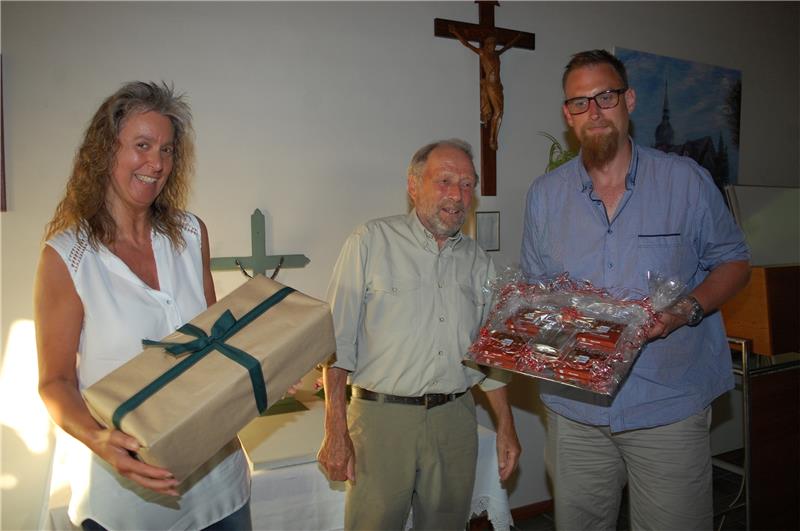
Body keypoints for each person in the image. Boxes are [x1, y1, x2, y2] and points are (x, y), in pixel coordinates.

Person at [520, 49, 751, 530]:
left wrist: (686, 309)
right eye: (580, 102)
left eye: (605, 96)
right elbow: (538, 288)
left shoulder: (685, 181)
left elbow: (734, 262)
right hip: (575, 408)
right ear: (567, 114)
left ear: (629, 100)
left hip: (666, 404)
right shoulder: (545, 195)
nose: (594, 112)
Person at [34, 81, 251, 530]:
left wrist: (261, 366)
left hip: (220, 485)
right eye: (143, 145)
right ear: (105, 152)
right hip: (130, 499)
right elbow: (55, 383)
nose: (157, 163)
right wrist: (98, 439)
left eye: (168, 150)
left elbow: (213, 344)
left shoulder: (190, 234)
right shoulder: (68, 257)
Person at [317, 139, 521, 530]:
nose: (458, 195)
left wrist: (506, 427)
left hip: (455, 420)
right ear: (413, 186)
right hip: (381, 421)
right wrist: (335, 430)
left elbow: (490, 357)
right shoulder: (370, 242)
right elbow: (336, 345)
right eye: (444, 181)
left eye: (466, 184)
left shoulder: (479, 262)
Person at [450, 26, 522, 151]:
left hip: (498, 86)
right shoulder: (482, 53)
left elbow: (507, 46)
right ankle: (492, 139)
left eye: (494, 44)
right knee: (498, 111)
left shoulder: (496, 54)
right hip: (489, 85)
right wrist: (456, 32)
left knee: (500, 112)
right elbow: (467, 44)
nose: (493, 46)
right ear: (487, 44)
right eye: (491, 43)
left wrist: (517, 38)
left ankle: (494, 137)